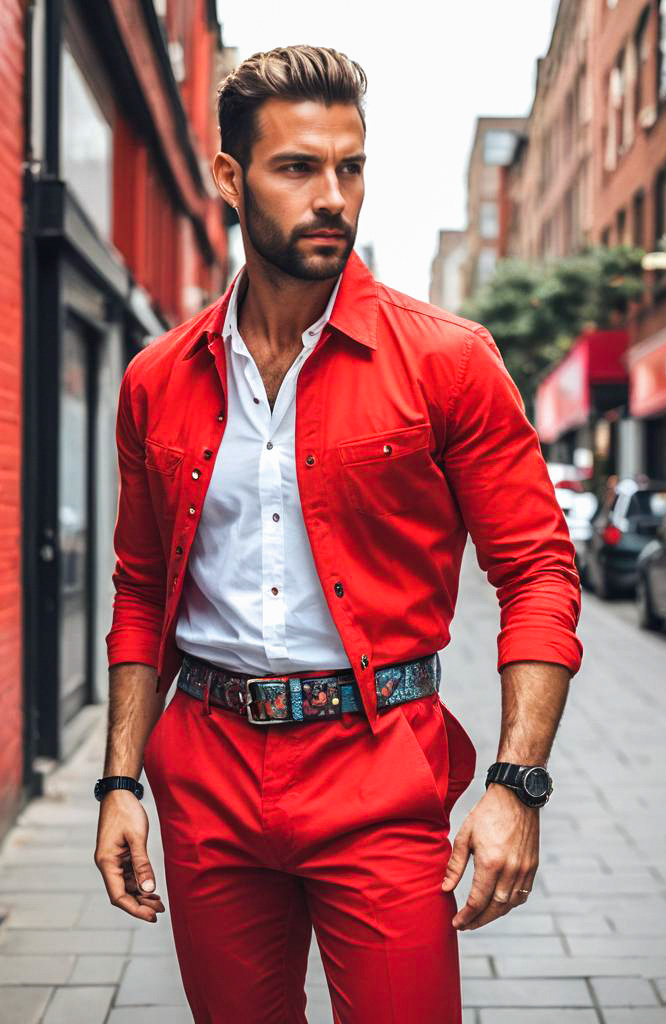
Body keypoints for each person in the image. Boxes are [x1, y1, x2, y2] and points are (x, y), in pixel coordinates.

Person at [93, 44, 582, 1024]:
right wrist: (120, 778)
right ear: (230, 178)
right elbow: (142, 586)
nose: (332, 196)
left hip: (380, 770)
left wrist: (516, 784)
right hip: (210, 776)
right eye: (297, 167)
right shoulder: (156, 378)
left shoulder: (448, 360)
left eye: (348, 167)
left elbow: (534, 568)